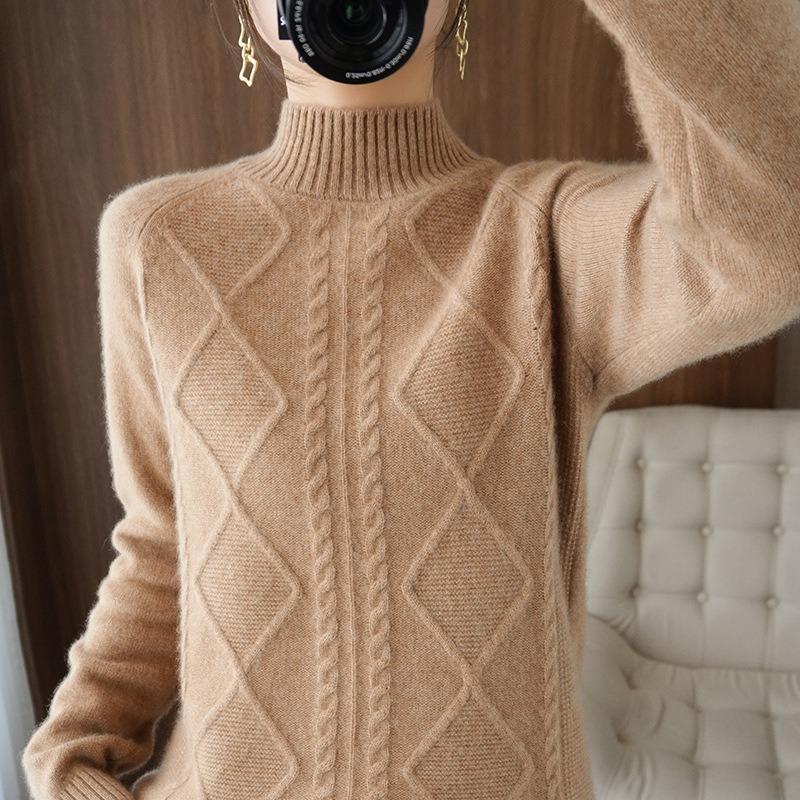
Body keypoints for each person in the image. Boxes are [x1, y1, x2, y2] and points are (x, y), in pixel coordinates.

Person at [21, 1, 800, 799]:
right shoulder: (158, 240)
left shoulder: (546, 240)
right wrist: (72, 757)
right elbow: (163, 542)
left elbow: (771, 238)